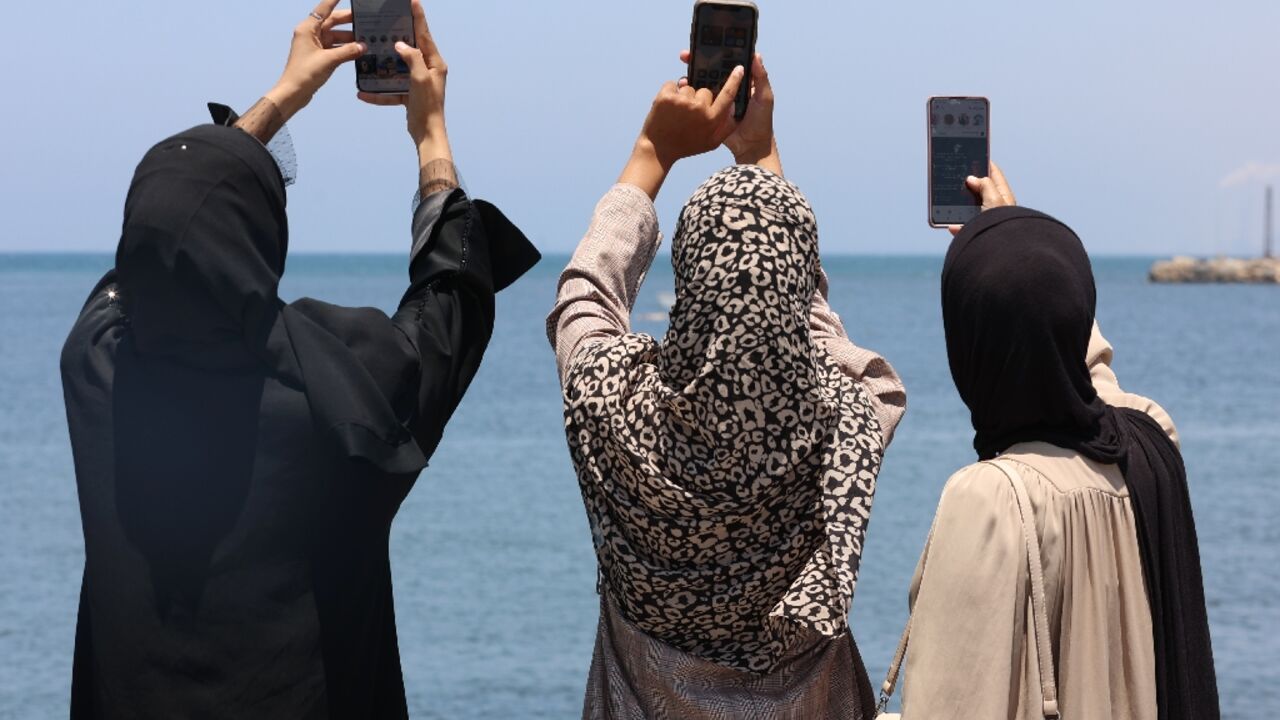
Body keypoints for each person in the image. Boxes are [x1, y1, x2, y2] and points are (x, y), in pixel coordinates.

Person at [59, 2, 539, 717]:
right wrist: (430, 134)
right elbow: (449, 305)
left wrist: (279, 99)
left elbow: (160, 236)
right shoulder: (337, 393)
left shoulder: (94, 367)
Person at [547, 51, 906, 719]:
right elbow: (810, 318)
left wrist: (651, 153)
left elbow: (585, 296)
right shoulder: (848, 423)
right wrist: (762, 155)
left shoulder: (610, 406)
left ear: (687, 284)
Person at [889, 167, 1219, 719]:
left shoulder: (990, 500)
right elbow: (1085, 362)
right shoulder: (1150, 444)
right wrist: (1012, 231)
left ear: (967, 347)